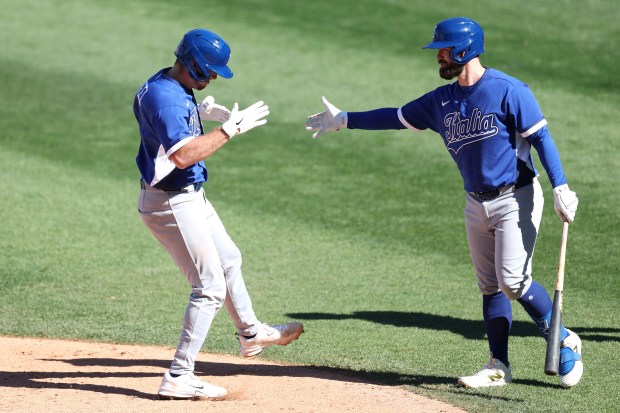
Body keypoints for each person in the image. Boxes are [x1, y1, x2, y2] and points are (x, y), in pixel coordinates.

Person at [305, 17, 582, 388]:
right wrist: (345, 120)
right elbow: (395, 116)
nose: (439, 58)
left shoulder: (508, 90)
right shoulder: (442, 101)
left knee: (514, 280)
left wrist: (561, 187)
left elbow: (541, 138)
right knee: (490, 286)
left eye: (444, 51)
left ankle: (564, 338)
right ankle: (498, 365)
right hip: (475, 202)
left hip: (515, 197)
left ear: (465, 50)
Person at [134, 28, 304, 399]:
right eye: (209, 70)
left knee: (229, 258)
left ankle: (250, 332)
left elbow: (168, 127)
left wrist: (200, 111)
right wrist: (228, 130)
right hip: (170, 202)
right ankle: (179, 375)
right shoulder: (168, 99)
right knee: (209, 286)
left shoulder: (165, 81)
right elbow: (182, 155)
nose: (212, 77)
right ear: (191, 63)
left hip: (188, 195)